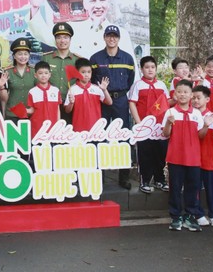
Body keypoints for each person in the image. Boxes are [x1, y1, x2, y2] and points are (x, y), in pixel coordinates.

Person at [28, 0, 136, 59]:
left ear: (108, 3)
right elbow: (45, 35)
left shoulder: (122, 34)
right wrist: (34, 7)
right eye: (92, 0)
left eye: (102, 0)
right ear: (85, 4)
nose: (98, 6)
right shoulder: (73, 30)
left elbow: (132, 71)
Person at [90, 24, 136, 189]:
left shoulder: (127, 59)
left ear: (119, 38)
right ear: (104, 37)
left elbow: (130, 80)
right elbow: (91, 80)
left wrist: (119, 93)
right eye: (109, 35)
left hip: (120, 101)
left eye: (114, 36)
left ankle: (123, 178)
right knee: (99, 136)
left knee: (123, 137)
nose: (111, 39)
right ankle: (99, 176)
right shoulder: (95, 58)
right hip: (101, 101)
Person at [162, 80, 209, 232]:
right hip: (175, 157)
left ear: (191, 95)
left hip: (193, 158)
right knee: (175, 188)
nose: (182, 95)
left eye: (186, 92)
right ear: (175, 94)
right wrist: (169, 123)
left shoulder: (196, 113)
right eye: (179, 92)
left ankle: (190, 216)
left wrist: (206, 125)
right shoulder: (170, 112)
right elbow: (165, 134)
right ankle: (175, 217)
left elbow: (201, 135)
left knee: (192, 188)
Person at [128, 55, 169, 193]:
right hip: (144, 126)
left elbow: (167, 102)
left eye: (152, 67)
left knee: (160, 153)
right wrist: (139, 123)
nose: (150, 70)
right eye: (147, 67)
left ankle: (159, 179)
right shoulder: (138, 85)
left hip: (159, 127)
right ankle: (145, 181)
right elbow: (132, 103)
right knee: (145, 153)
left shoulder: (161, 85)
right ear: (141, 69)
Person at [192, 85, 213, 227]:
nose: (195, 101)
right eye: (193, 98)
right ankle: (198, 214)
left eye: (199, 98)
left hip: (209, 157)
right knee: (195, 187)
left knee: (211, 188)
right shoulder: (190, 115)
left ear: (207, 99)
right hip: (194, 158)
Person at [64, 57, 112, 132]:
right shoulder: (72, 89)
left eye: (89, 72)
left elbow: (109, 102)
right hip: (78, 128)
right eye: (83, 72)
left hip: (96, 128)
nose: (86, 75)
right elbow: (67, 110)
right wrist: (71, 103)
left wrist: (104, 90)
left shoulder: (97, 88)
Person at [39, 22, 81, 98]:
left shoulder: (77, 60)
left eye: (65, 37)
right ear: (55, 40)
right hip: (50, 100)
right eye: (59, 38)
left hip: (71, 101)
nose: (62, 41)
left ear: (70, 39)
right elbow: (40, 80)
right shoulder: (46, 58)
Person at [4, 38, 36, 122]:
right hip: (12, 114)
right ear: (14, 56)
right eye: (20, 54)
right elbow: (3, 97)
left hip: (30, 114)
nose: (23, 57)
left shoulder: (34, 72)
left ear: (29, 56)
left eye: (25, 54)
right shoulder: (7, 72)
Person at [26, 61, 61, 138]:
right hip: (37, 128)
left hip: (53, 128)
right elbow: (31, 110)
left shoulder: (56, 90)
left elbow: (57, 109)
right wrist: (22, 110)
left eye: (46, 73)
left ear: (49, 75)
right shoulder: (32, 91)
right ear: (35, 75)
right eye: (40, 73)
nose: (43, 75)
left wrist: (58, 125)